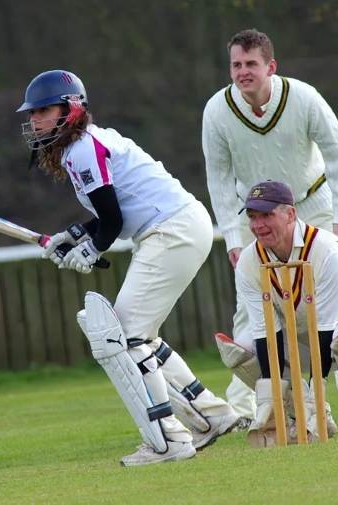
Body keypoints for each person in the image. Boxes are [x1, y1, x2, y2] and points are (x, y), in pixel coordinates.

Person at [16, 69, 238, 466]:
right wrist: (74, 237)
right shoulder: (83, 145)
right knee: (140, 336)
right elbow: (106, 218)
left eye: (43, 111)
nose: (35, 121)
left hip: (172, 230)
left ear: (71, 109)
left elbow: (112, 223)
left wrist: (88, 250)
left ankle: (168, 440)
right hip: (177, 227)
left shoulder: (83, 147)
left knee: (127, 337)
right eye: (32, 114)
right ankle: (209, 417)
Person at [202, 28, 338, 427]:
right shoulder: (217, 111)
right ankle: (253, 409)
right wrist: (233, 237)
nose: (243, 72)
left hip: (311, 204)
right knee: (250, 307)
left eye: (251, 64)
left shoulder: (303, 97)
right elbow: (218, 178)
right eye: (236, 65)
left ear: (271, 66)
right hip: (252, 214)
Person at [232, 180, 338, 445]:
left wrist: (314, 393)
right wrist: (270, 394)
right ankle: (300, 416)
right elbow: (265, 332)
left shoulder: (328, 250)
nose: (258, 225)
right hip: (304, 334)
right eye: (253, 217)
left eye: (267, 215)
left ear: (290, 214)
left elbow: (326, 327)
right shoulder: (249, 262)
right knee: (240, 350)